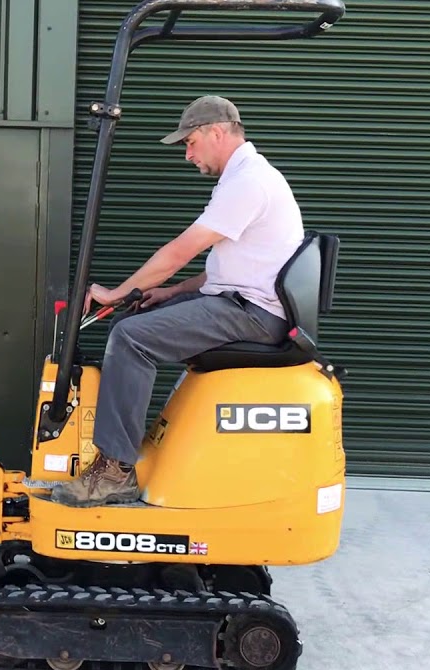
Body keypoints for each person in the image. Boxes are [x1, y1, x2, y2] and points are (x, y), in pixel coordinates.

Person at [51, 95, 308, 507]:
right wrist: (170, 293)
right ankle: (126, 448)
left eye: (190, 142)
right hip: (244, 304)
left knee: (130, 337)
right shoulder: (245, 178)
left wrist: (115, 293)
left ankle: (114, 471)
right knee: (145, 312)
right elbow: (232, 267)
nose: (188, 155)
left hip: (252, 314)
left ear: (216, 133)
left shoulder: (249, 183)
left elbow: (178, 252)